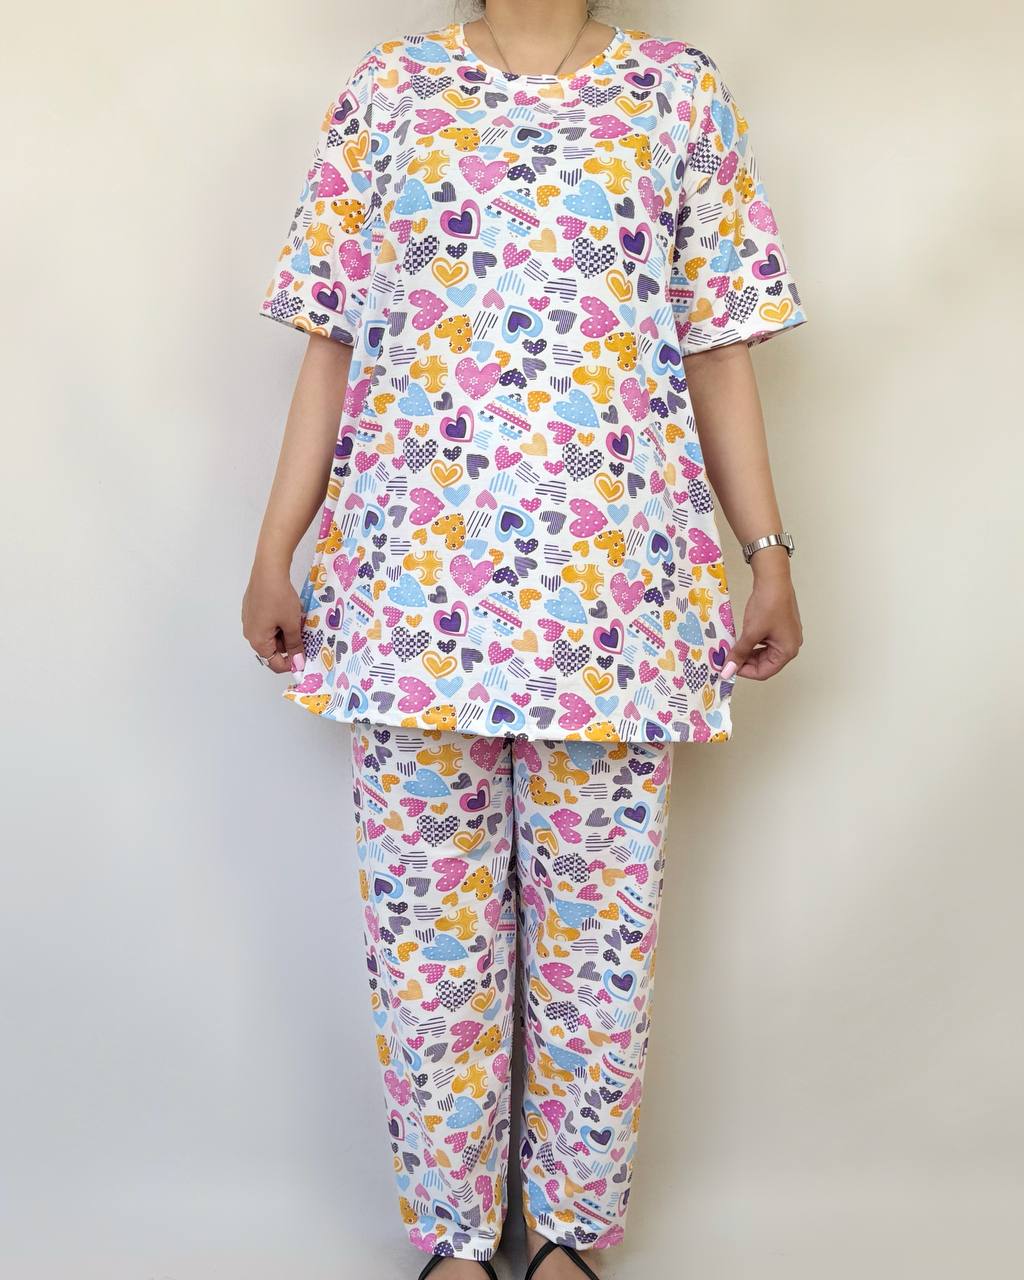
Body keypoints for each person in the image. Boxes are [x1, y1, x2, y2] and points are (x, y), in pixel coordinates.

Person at [242, 5, 807, 1277]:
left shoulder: (675, 92)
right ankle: (453, 1238)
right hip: (406, 596)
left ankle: (567, 1236)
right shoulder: (392, 91)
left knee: (599, 944)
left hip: (613, 603)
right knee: (428, 947)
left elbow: (717, 344)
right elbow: (334, 339)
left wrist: (766, 550)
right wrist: (277, 546)